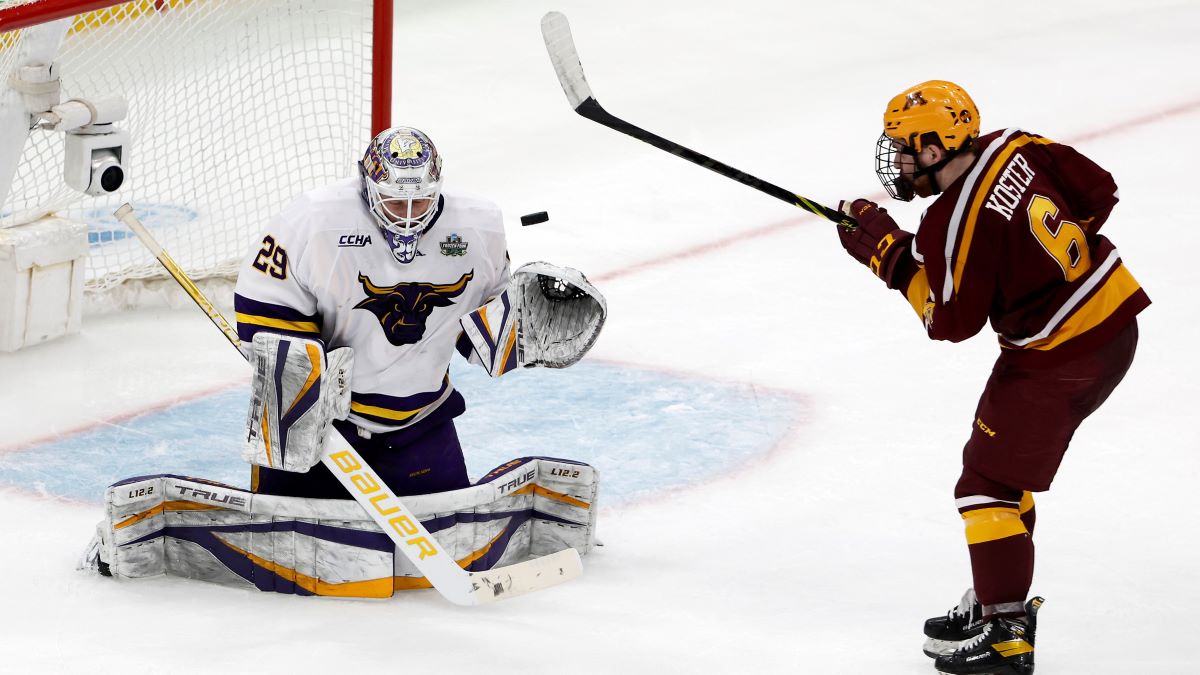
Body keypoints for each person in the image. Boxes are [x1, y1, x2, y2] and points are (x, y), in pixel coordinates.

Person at [83, 127, 607, 597]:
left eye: (421, 202)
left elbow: (475, 337)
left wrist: (522, 329)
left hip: (422, 424)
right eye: (394, 203)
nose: (408, 217)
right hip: (319, 432)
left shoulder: (479, 226)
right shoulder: (314, 218)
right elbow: (264, 302)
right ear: (367, 186)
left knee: (442, 549)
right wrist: (300, 379)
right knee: (280, 565)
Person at [835, 81, 1149, 674]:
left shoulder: (949, 221)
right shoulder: (1017, 144)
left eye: (905, 148)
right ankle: (994, 595)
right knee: (1004, 477)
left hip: (1058, 359)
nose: (897, 161)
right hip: (1115, 324)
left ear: (935, 150)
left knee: (985, 486)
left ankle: (1006, 634)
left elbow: (950, 321)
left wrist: (887, 253)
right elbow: (1099, 191)